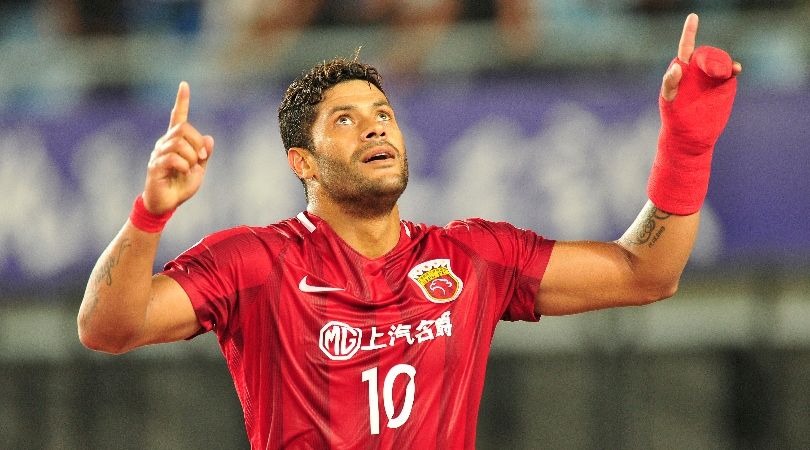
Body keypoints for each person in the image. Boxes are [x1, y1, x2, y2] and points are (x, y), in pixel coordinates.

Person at [77, 13, 740, 449]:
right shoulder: (254, 262)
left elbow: (645, 273)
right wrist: (150, 215)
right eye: (344, 119)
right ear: (301, 163)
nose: (374, 125)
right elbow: (106, 328)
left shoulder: (471, 256)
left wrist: (686, 144)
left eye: (383, 112)